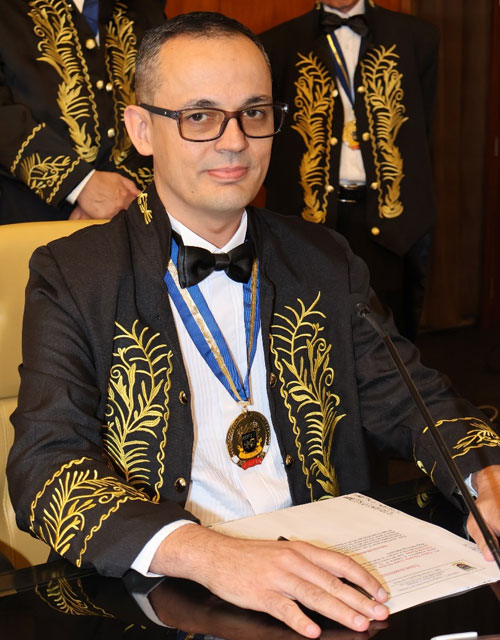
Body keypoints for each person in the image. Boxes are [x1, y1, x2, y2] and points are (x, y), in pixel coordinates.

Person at [7, 12, 500, 639]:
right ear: (141, 129)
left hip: (335, 590)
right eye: (200, 116)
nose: (234, 141)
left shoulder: (324, 258)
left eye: (254, 113)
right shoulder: (73, 274)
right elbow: (45, 469)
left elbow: (412, 401)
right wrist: (210, 555)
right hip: (165, 600)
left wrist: (484, 473)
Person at [259, 0, 439, 339]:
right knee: (312, 332)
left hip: (390, 224)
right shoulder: (275, 43)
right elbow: (268, 136)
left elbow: (424, 131)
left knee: (387, 337)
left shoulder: (419, 38)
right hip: (305, 222)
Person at [0, 0, 166, 224]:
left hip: (137, 211)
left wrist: (120, 195)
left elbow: (165, 106)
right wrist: (80, 184)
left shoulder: (147, 7)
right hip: (27, 217)